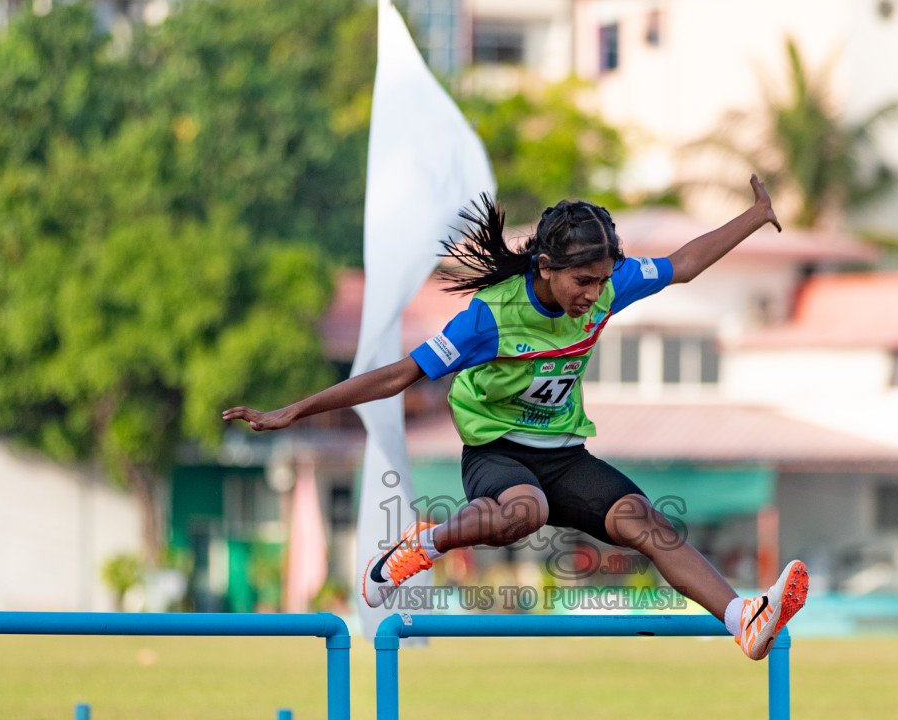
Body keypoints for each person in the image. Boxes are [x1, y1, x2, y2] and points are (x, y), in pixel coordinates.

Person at [223, 175, 807, 660]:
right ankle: (423, 543)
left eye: (604, 281)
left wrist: (755, 214)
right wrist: (295, 411)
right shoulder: (490, 318)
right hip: (496, 452)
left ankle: (743, 618)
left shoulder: (609, 286)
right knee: (527, 511)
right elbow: (400, 375)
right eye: (583, 282)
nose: (594, 295)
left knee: (647, 524)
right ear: (546, 266)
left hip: (564, 453)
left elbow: (683, 265)